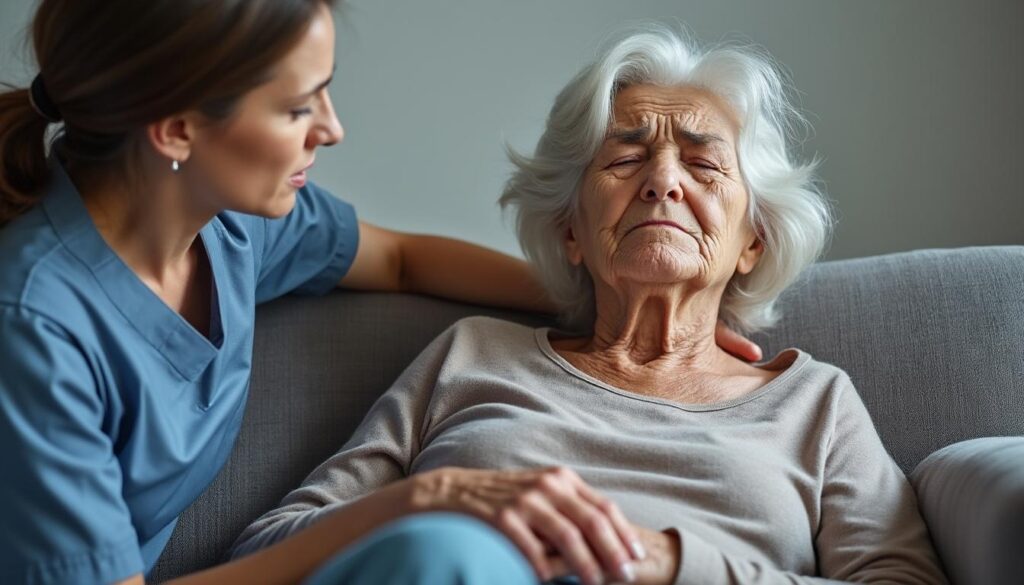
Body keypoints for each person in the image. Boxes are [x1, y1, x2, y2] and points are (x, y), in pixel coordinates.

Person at [0, 2, 764, 584]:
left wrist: (608, 293)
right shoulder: (36, 327)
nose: (330, 129)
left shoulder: (232, 226)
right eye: (299, 106)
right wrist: (417, 498)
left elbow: (400, 260)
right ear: (174, 130)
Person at [229, 26, 949, 585]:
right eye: (625, 158)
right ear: (571, 229)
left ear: (752, 241)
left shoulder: (813, 403)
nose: (663, 181)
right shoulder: (473, 353)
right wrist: (448, 507)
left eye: (703, 164)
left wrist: (668, 560)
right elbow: (274, 545)